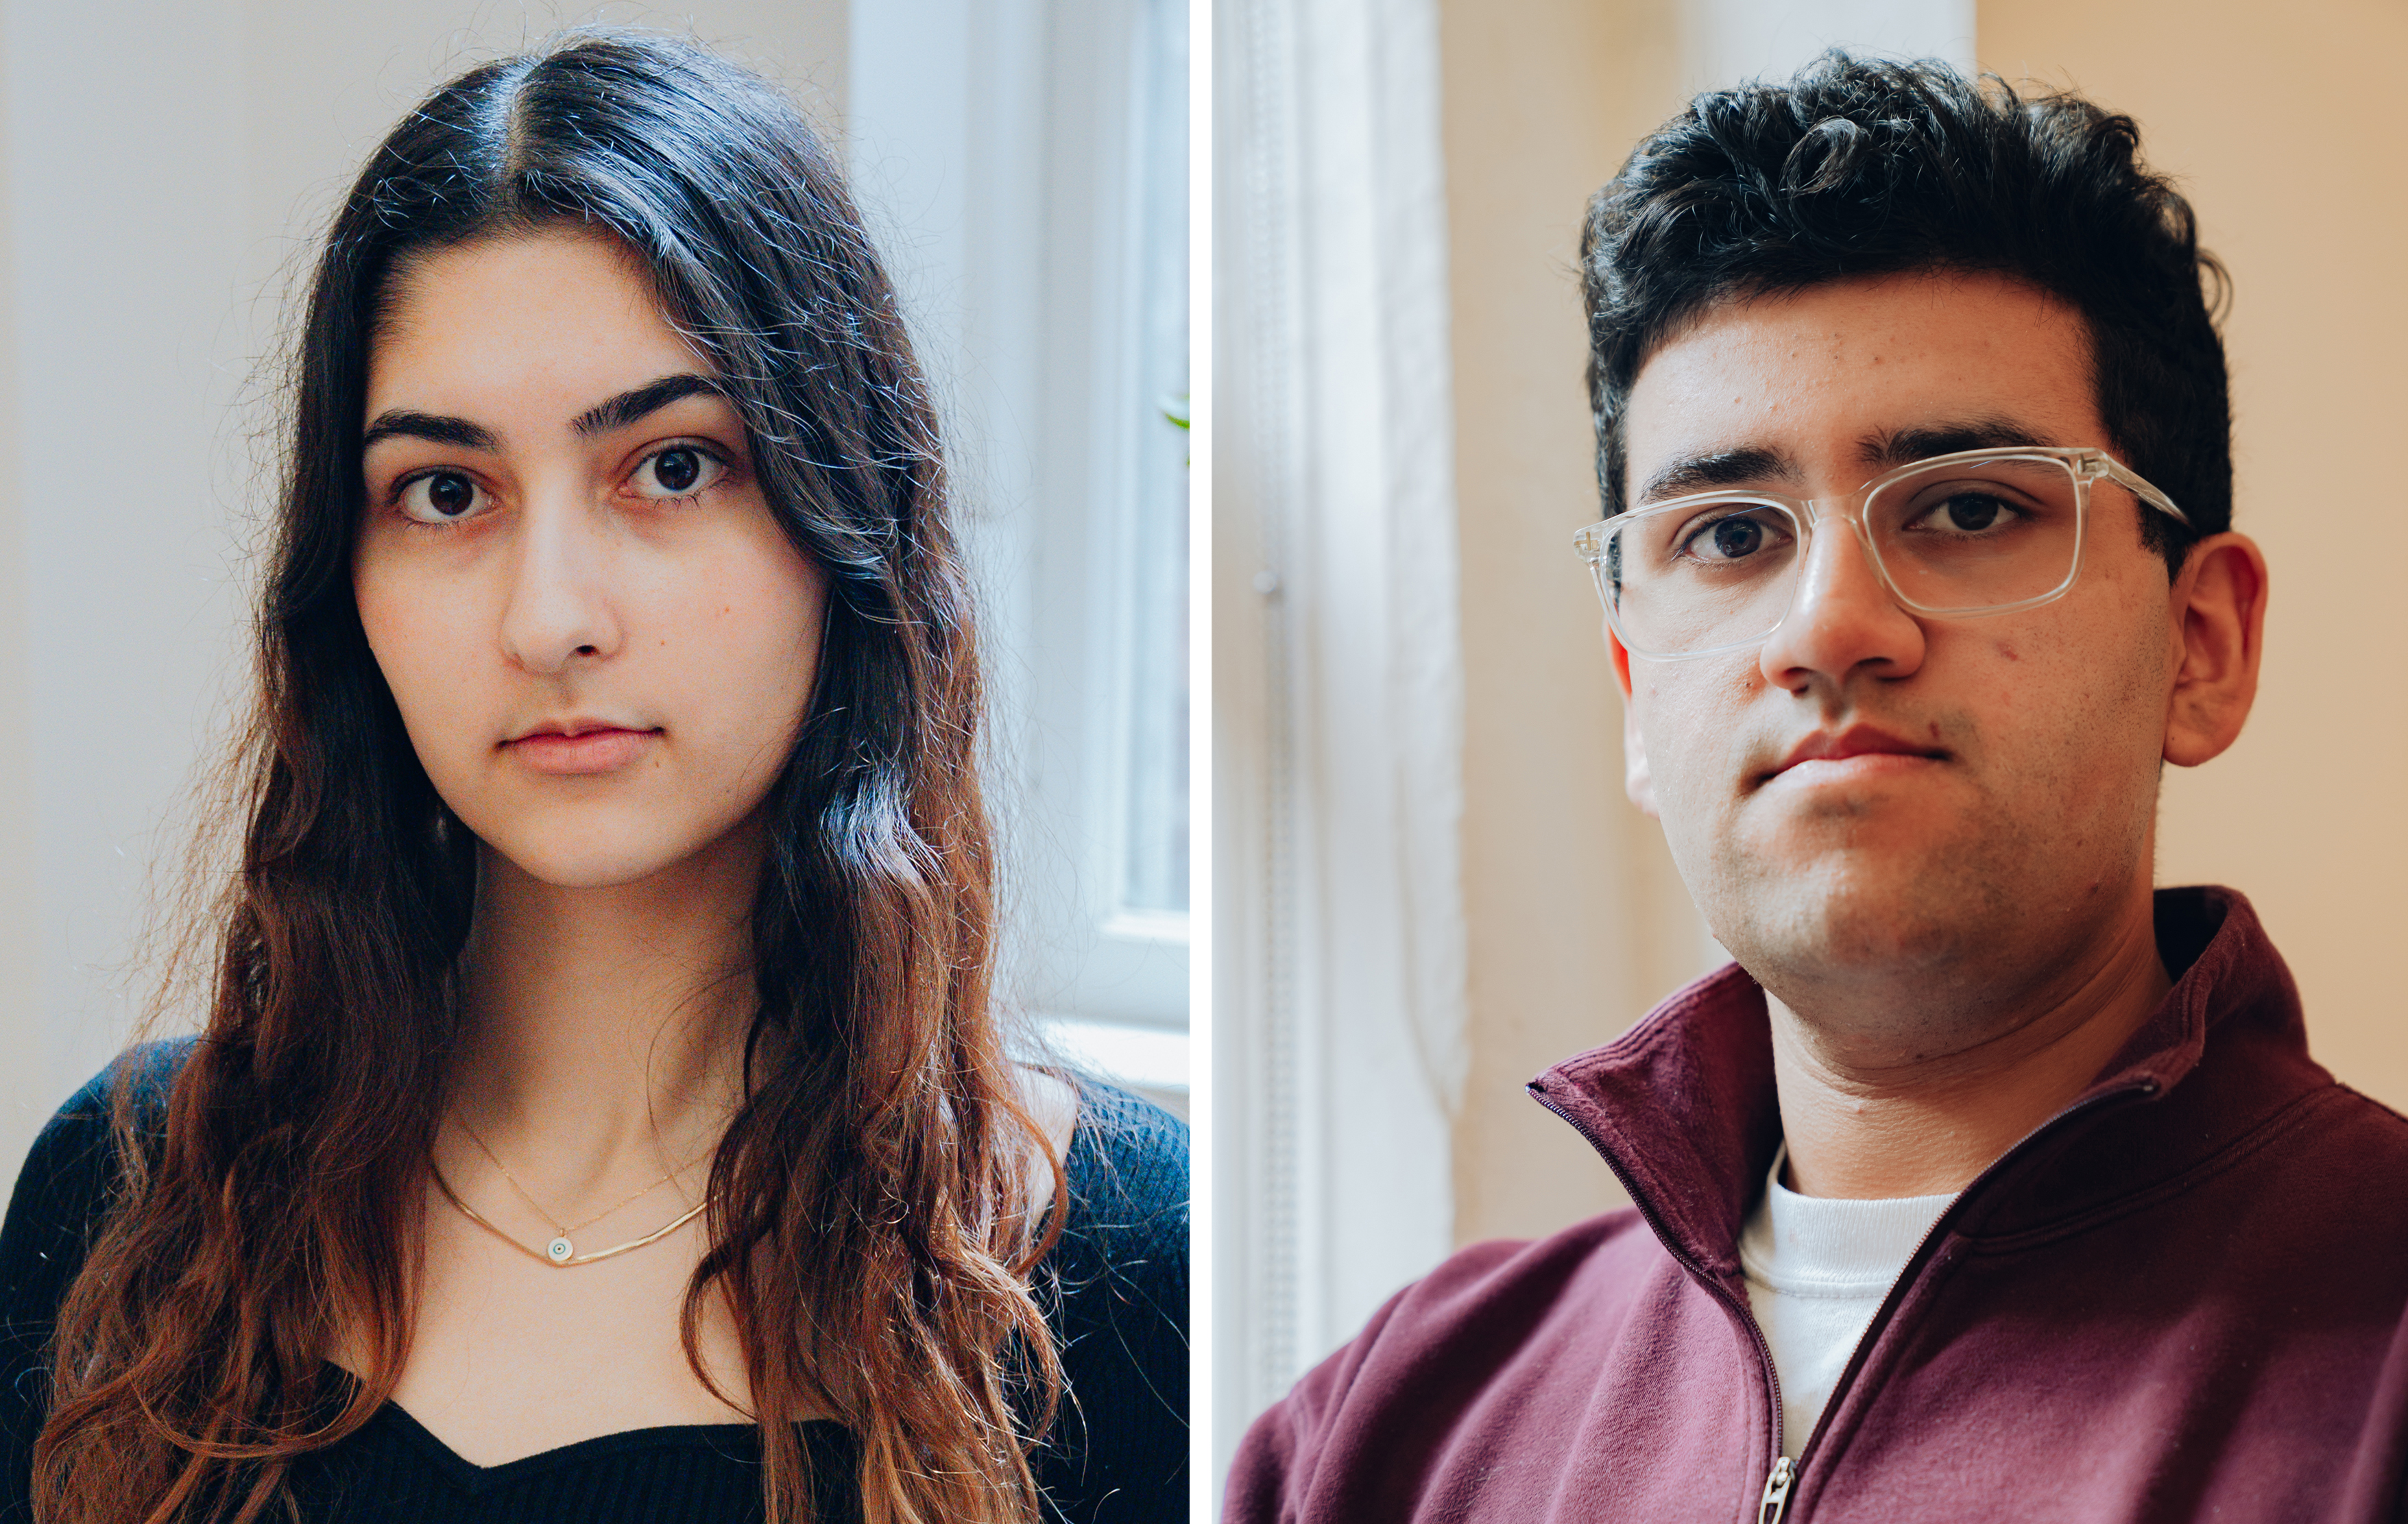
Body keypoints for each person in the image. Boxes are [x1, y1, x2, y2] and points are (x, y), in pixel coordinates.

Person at [0, 30, 1185, 1524]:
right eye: (446, 492)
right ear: (342, 582)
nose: (550, 614)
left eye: (672, 466)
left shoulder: (1116, 1268)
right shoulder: (137, 1198)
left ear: (845, 514)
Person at [1227, 53, 2408, 1523]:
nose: (1830, 624)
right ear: (1634, 700)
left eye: (1971, 506)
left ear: (2201, 642)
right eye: (1727, 535)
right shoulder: (1383, 1429)